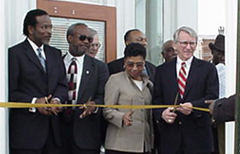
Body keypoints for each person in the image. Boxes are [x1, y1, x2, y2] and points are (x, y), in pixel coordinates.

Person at [8, 9, 68, 154]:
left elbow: (62, 84)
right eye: (44, 27)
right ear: (30, 29)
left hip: (53, 134)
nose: (49, 31)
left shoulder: (55, 53)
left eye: (50, 27)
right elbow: (11, 92)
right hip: (26, 135)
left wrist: (57, 100)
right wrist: (35, 102)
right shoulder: (15, 54)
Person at [152, 26, 219, 154]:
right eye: (184, 43)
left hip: (198, 138)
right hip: (171, 139)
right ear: (175, 44)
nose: (188, 47)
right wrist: (162, 114)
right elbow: (156, 100)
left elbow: (212, 97)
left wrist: (193, 107)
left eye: (192, 43)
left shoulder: (207, 69)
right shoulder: (162, 70)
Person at [61, 23, 109, 154]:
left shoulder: (99, 67)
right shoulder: (56, 63)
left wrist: (95, 106)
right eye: (82, 38)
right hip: (57, 135)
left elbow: (103, 96)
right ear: (70, 38)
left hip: (86, 135)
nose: (87, 42)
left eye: (89, 39)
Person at [103, 43, 154, 154]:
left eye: (139, 65)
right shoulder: (115, 80)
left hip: (144, 145)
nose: (135, 68)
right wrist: (121, 117)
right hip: (120, 146)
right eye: (130, 64)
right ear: (125, 62)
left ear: (144, 63)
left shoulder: (149, 84)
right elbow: (107, 110)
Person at [209, 34, 226, 154]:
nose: (222, 57)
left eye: (225, 53)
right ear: (212, 52)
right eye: (219, 53)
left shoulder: (229, 70)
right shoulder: (206, 70)